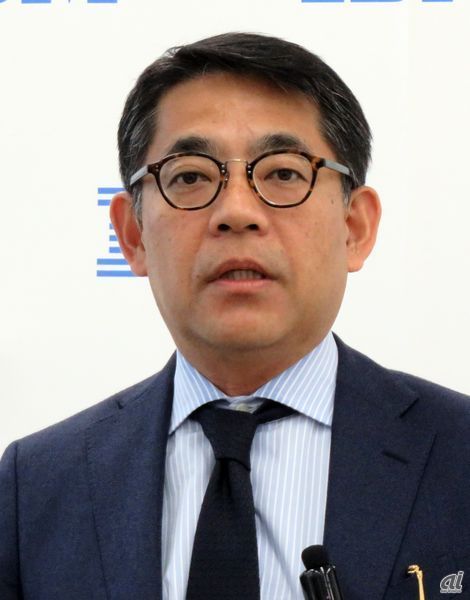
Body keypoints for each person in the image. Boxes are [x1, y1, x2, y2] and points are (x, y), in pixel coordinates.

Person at [1, 32, 469, 600]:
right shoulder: (36, 485)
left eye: (284, 173)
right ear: (133, 235)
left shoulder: (458, 452)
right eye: (190, 176)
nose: (238, 212)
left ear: (355, 227)